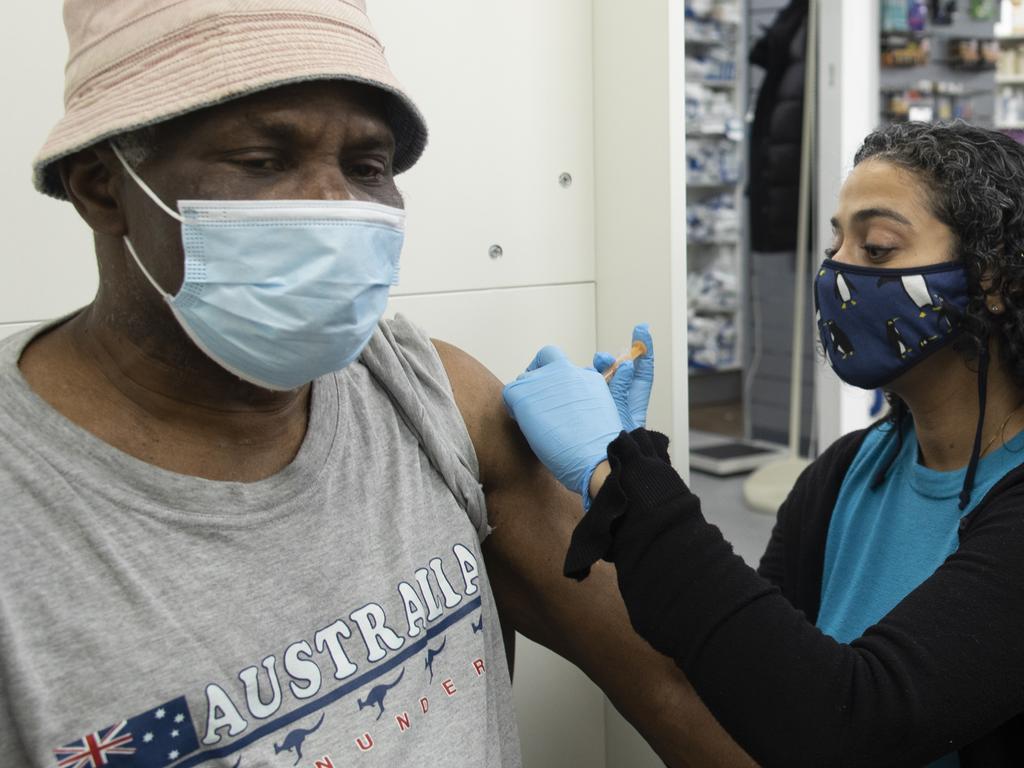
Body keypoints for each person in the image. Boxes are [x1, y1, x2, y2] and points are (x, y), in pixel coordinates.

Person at [0, 1, 758, 766]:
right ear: (102, 185)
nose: (335, 207)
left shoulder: (429, 397)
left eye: (368, 169)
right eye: (265, 161)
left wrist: (630, 486)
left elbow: (674, 687)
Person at [504, 121, 1024, 767]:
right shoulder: (841, 476)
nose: (837, 271)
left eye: (879, 247)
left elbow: (848, 722)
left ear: (994, 280)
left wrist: (626, 480)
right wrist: (622, 460)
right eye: (837, 241)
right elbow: (755, 668)